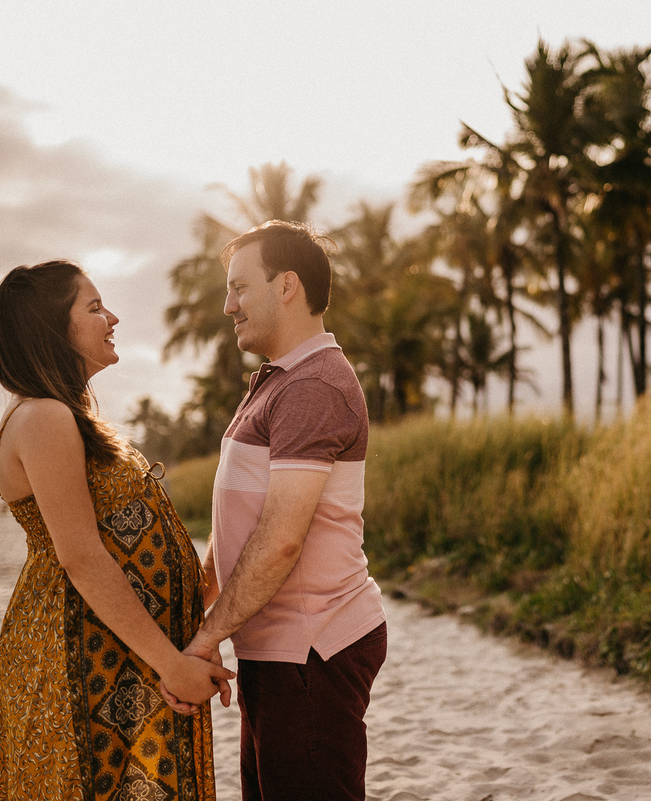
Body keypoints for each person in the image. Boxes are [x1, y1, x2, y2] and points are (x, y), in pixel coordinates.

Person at [0, 260, 233, 800]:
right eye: (93, 308)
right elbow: (82, 556)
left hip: (118, 654)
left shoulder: (62, 415)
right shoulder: (45, 417)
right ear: (52, 328)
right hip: (80, 658)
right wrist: (171, 663)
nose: (111, 317)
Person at [167, 221, 387, 801]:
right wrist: (198, 614)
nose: (227, 304)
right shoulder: (277, 380)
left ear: (286, 285)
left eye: (240, 287)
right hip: (276, 645)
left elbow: (281, 538)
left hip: (313, 647)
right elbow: (239, 525)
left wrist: (208, 637)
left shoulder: (314, 385)